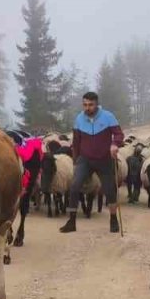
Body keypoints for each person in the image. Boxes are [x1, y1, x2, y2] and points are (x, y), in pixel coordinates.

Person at [59, 91, 124, 234]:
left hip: (104, 159)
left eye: (90, 105)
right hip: (85, 159)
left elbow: (119, 134)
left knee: (110, 190)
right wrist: (76, 160)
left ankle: (113, 219)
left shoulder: (108, 116)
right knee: (74, 187)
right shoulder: (79, 119)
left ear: (97, 104)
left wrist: (114, 144)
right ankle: (71, 221)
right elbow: (76, 141)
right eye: (85, 105)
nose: (87, 108)